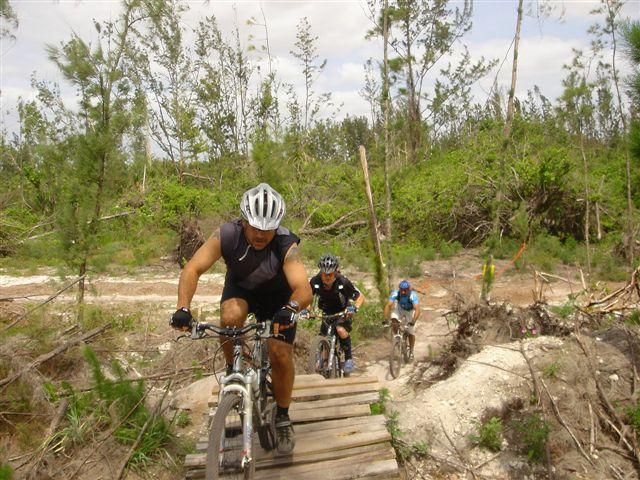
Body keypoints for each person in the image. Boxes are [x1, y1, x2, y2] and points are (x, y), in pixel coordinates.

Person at [169, 182, 312, 455]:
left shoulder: (285, 243)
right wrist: (183, 308)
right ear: (243, 221)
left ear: (276, 226)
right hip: (242, 289)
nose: (260, 234)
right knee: (231, 317)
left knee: (280, 353)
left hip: (278, 298)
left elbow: (303, 288)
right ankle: (234, 375)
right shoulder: (227, 235)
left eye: (267, 229)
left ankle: (282, 416)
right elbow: (193, 268)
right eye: (254, 227)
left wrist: (291, 308)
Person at [309, 253, 365, 374]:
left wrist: (354, 308)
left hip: (343, 312)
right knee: (324, 338)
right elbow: (307, 297)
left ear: (335, 272)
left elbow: (360, 297)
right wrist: (306, 310)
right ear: (321, 272)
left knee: (340, 330)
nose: (327, 277)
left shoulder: (343, 282)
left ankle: (349, 359)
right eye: (324, 274)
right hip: (326, 313)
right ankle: (323, 367)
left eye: (330, 274)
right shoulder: (315, 281)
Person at [384, 280, 420, 360]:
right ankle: (397, 336)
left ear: (409, 289)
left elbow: (417, 309)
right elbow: (388, 305)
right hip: (400, 308)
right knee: (393, 319)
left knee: (411, 332)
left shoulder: (412, 295)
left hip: (410, 310)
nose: (403, 292)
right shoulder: (396, 293)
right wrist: (386, 319)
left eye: (405, 290)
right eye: (401, 290)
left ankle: (411, 351)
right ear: (399, 289)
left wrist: (413, 321)